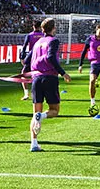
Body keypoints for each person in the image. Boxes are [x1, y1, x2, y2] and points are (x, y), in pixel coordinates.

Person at [27, 18, 71, 151]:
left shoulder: (38, 42)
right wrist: (63, 73)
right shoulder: (54, 41)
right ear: (53, 28)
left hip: (36, 78)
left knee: (35, 113)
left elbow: (28, 59)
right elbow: (51, 57)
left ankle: (33, 143)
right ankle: (43, 115)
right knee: (54, 110)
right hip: (49, 78)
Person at [19, 19, 44, 102]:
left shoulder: (30, 35)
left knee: (23, 74)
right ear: (40, 27)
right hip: (41, 57)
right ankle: (40, 93)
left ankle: (26, 94)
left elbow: (24, 46)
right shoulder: (43, 35)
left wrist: (22, 57)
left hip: (32, 57)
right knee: (40, 75)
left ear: (33, 26)